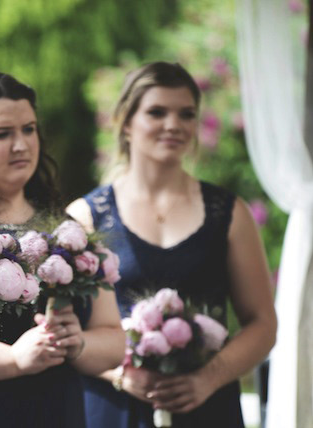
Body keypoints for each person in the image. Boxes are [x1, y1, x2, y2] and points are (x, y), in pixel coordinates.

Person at [66, 61, 277, 428]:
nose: (173, 124)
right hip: (114, 408)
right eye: (157, 112)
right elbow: (64, 330)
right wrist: (120, 372)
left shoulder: (229, 213)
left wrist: (209, 377)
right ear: (126, 122)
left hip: (208, 407)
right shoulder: (84, 218)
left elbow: (262, 323)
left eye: (186, 114)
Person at [0, 70, 125, 428]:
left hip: (57, 409)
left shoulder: (68, 227)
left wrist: (78, 344)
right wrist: (14, 361)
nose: (21, 144)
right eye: (2, 134)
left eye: (28, 129)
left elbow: (114, 338)